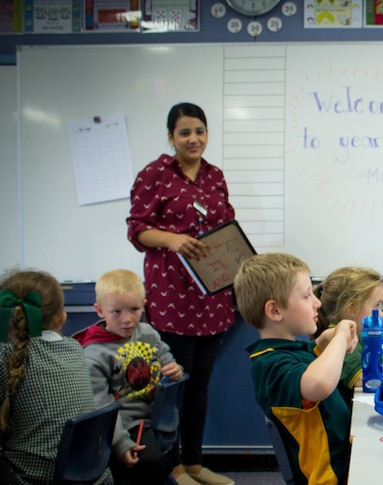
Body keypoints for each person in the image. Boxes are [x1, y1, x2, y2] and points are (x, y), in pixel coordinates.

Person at [126, 102, 235, 485]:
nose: (194, 139)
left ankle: (194, 464)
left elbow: (227, 227)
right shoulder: (154, 174)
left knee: (201, 385)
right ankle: (171, 466)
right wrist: (172, 239)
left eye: (200, 131)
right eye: (185, 132)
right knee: (173, 384)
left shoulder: (215, 175)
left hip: (213, 295)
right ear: (171, 137)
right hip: (172, 295)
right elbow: (137, 229)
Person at [234, 253, 357, 485]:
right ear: (275, 311)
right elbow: (318, 384)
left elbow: (309, 365)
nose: (317, 302)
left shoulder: (288, 352)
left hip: (346, 465)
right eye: (306, 295)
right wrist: (340, 337)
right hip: (330, 478)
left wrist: (322, 343)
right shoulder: (269, 366)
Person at [72, 269, 187, 485]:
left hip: (156, 419)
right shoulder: (94, 354)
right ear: (99, 310)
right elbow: (101, 407)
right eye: (116, 312)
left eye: (134, 310)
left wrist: (174, 368)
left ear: (144, 304)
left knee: (162, 462)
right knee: (152, 465)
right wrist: (121, 443)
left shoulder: (147, 333)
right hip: (123, 425)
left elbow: (166, 357)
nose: (127, 320)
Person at [0, 269, 112, 485]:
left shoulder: (6, 357)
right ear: (62, 318)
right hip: (93, 477)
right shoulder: (74, 348)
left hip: (33, 478)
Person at [312, 266, 383, 408]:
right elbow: (363, 378)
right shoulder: (340, 340)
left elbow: (380, 364)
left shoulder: (355, 336)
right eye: (376, 306)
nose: (381, 314)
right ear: (352, 309)